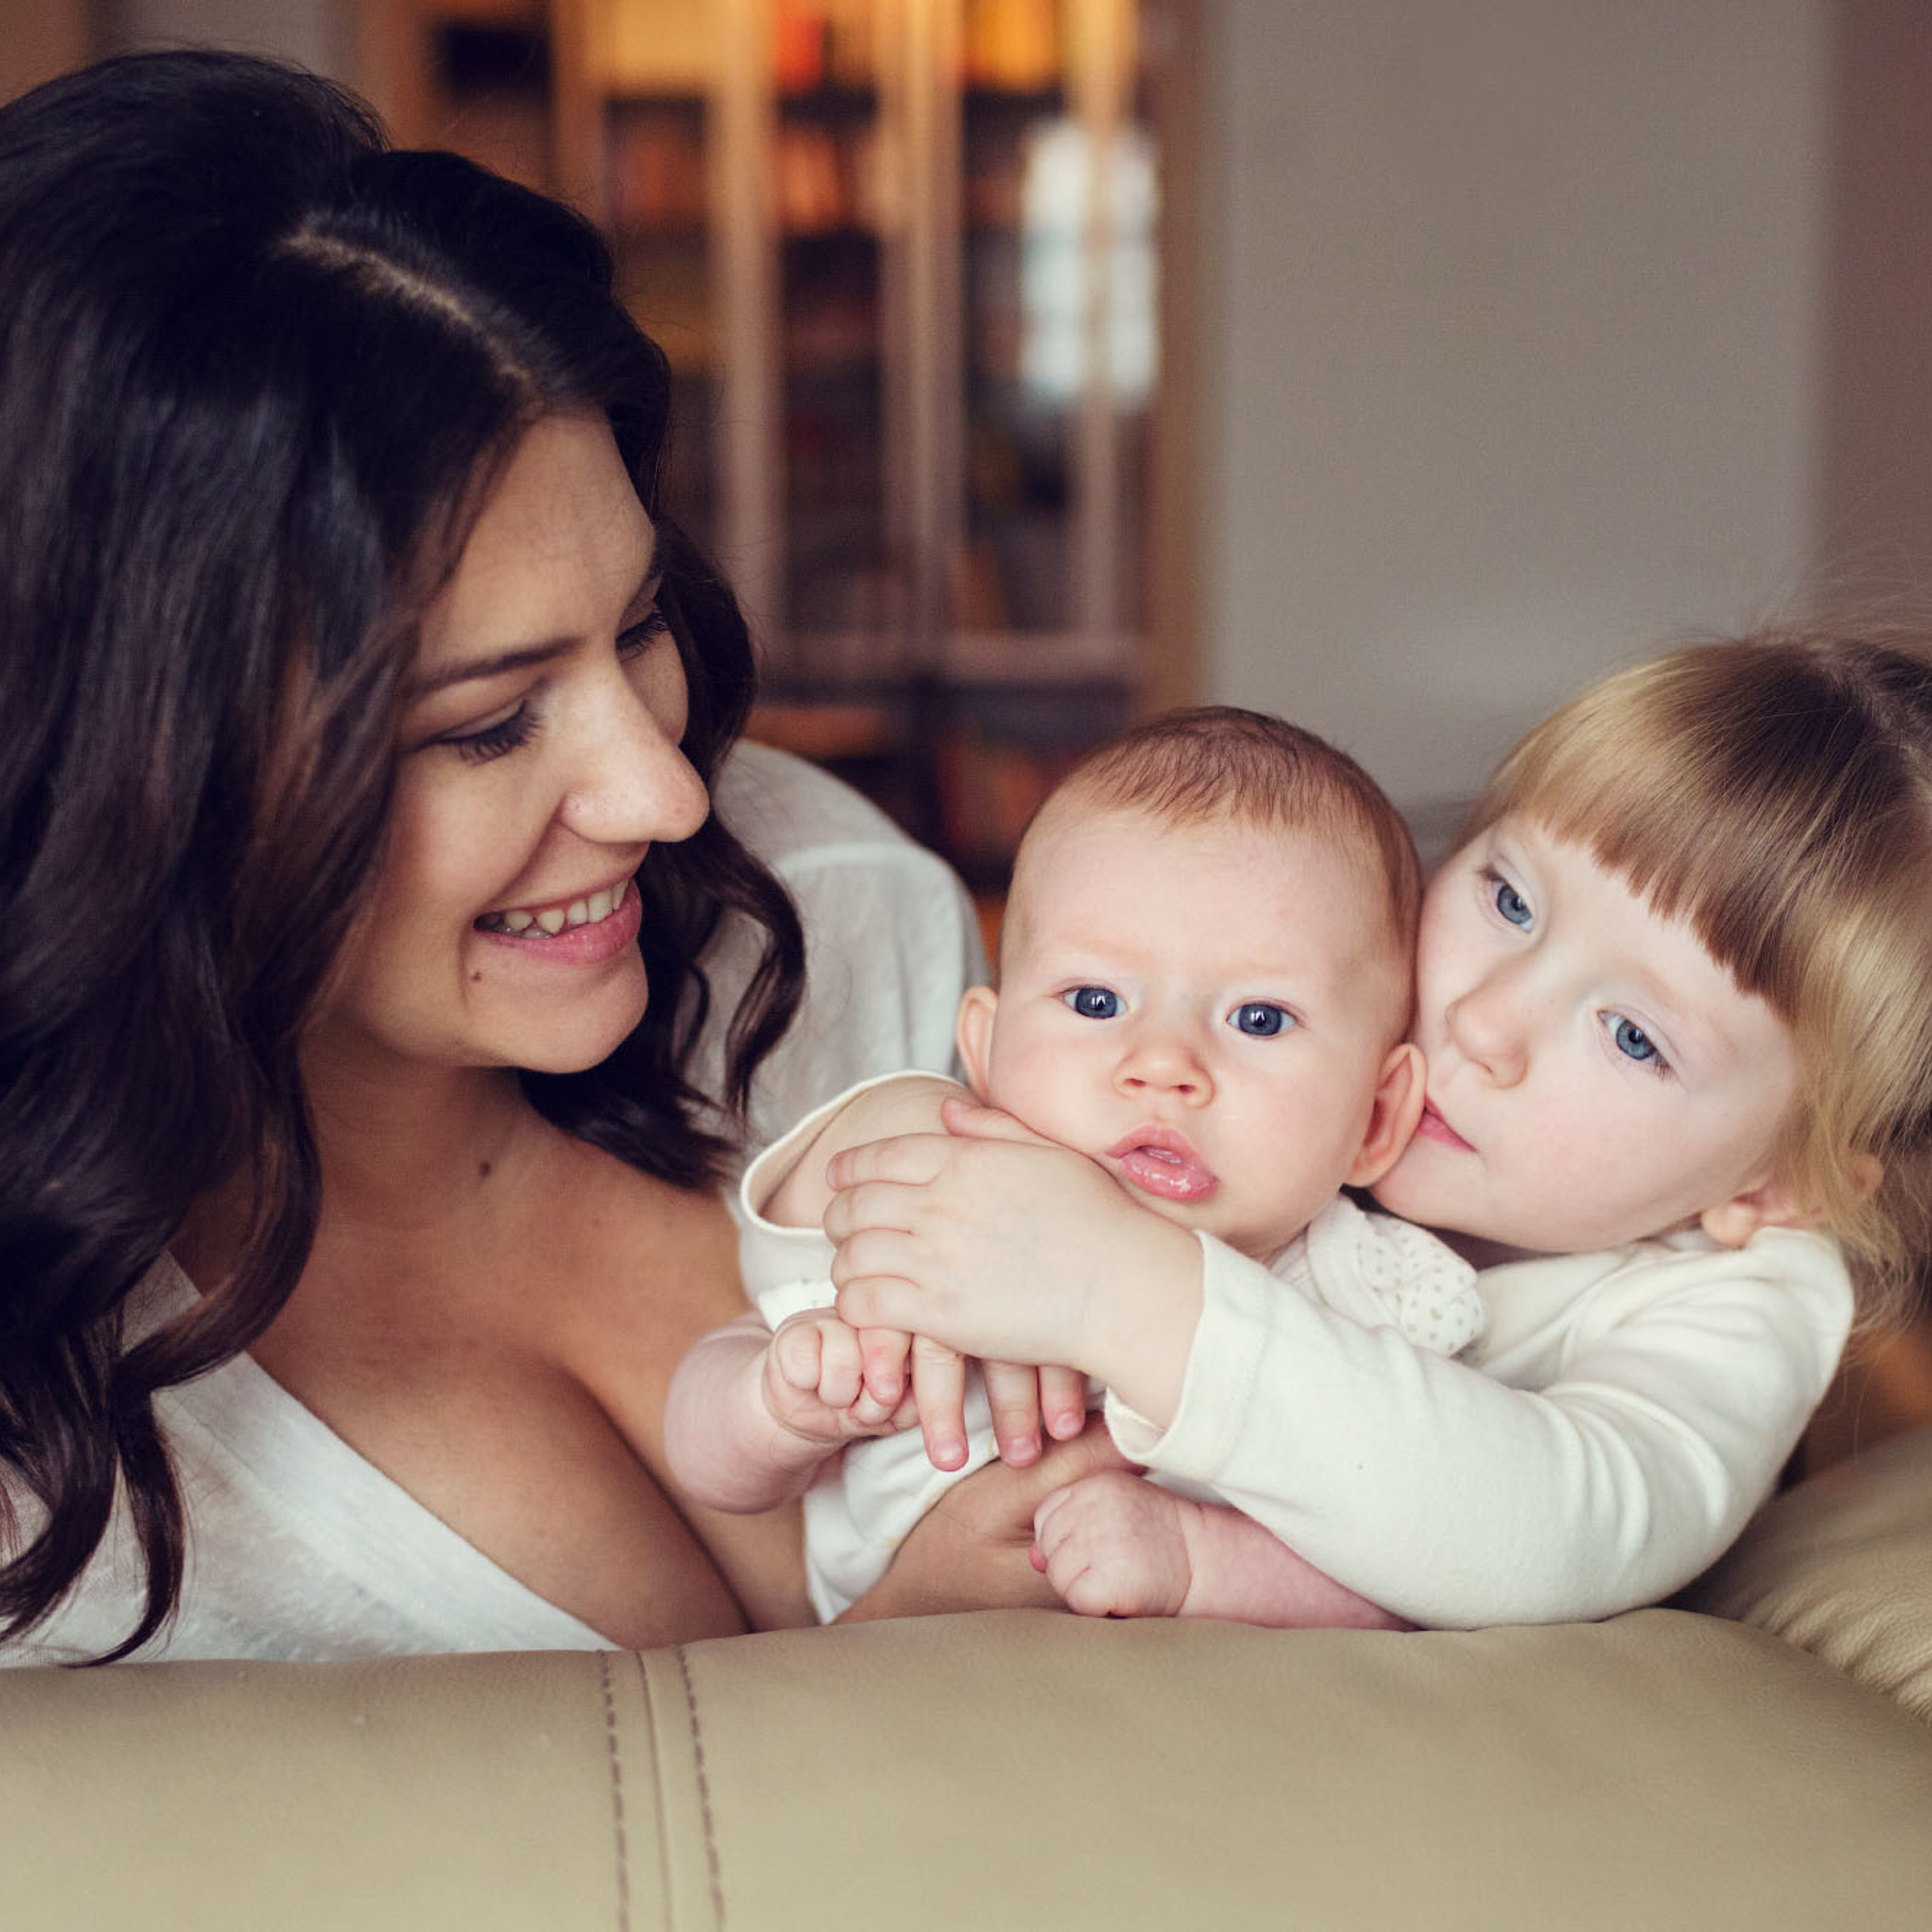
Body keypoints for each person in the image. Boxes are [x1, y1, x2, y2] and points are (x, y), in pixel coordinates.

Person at [0, 49, 1095, 1667]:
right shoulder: (51, 1451)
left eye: (639, 623)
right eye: (488, 724)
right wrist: (905, 1673)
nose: (662, 794)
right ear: (140, 777)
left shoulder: (834, 922)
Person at [823, 631, 1932, 1627]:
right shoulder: (1310, 1063)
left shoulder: (1743, 1305)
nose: (1482, 1018)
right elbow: (1053, 1061)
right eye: (1510, 900)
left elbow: (1554, 1531)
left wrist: (1119, 1292)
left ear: (1785, 1183)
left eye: (1635, 1036)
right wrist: (924, 1132)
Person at [667, 709, 1485, 1621]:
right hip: (898, 1703)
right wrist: (774, 1404)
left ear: (1376, 1118)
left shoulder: (1364, 1297)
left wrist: (1199, 1564)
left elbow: (1424, 1564)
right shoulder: (930, 1210)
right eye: (1095, 1000)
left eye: (1259, 1018)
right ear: (983, 1049)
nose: (1163, 1065)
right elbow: (708, 1466)